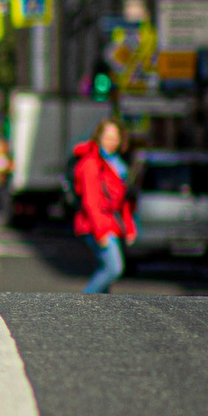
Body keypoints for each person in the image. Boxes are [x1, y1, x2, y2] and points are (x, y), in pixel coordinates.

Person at [73, 117, 134, 294]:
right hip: (95, 225)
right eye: (107, 137)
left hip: (111, 223)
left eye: (115, 137)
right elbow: (90, 201)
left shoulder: (117, 165)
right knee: (113, 268)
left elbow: (122, 201)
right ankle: (82, 303)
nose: (111, 142)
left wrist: (128, 227)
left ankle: (100, 312)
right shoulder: (91, 163)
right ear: (98, 137)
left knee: (104, 269)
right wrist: (100, 231)